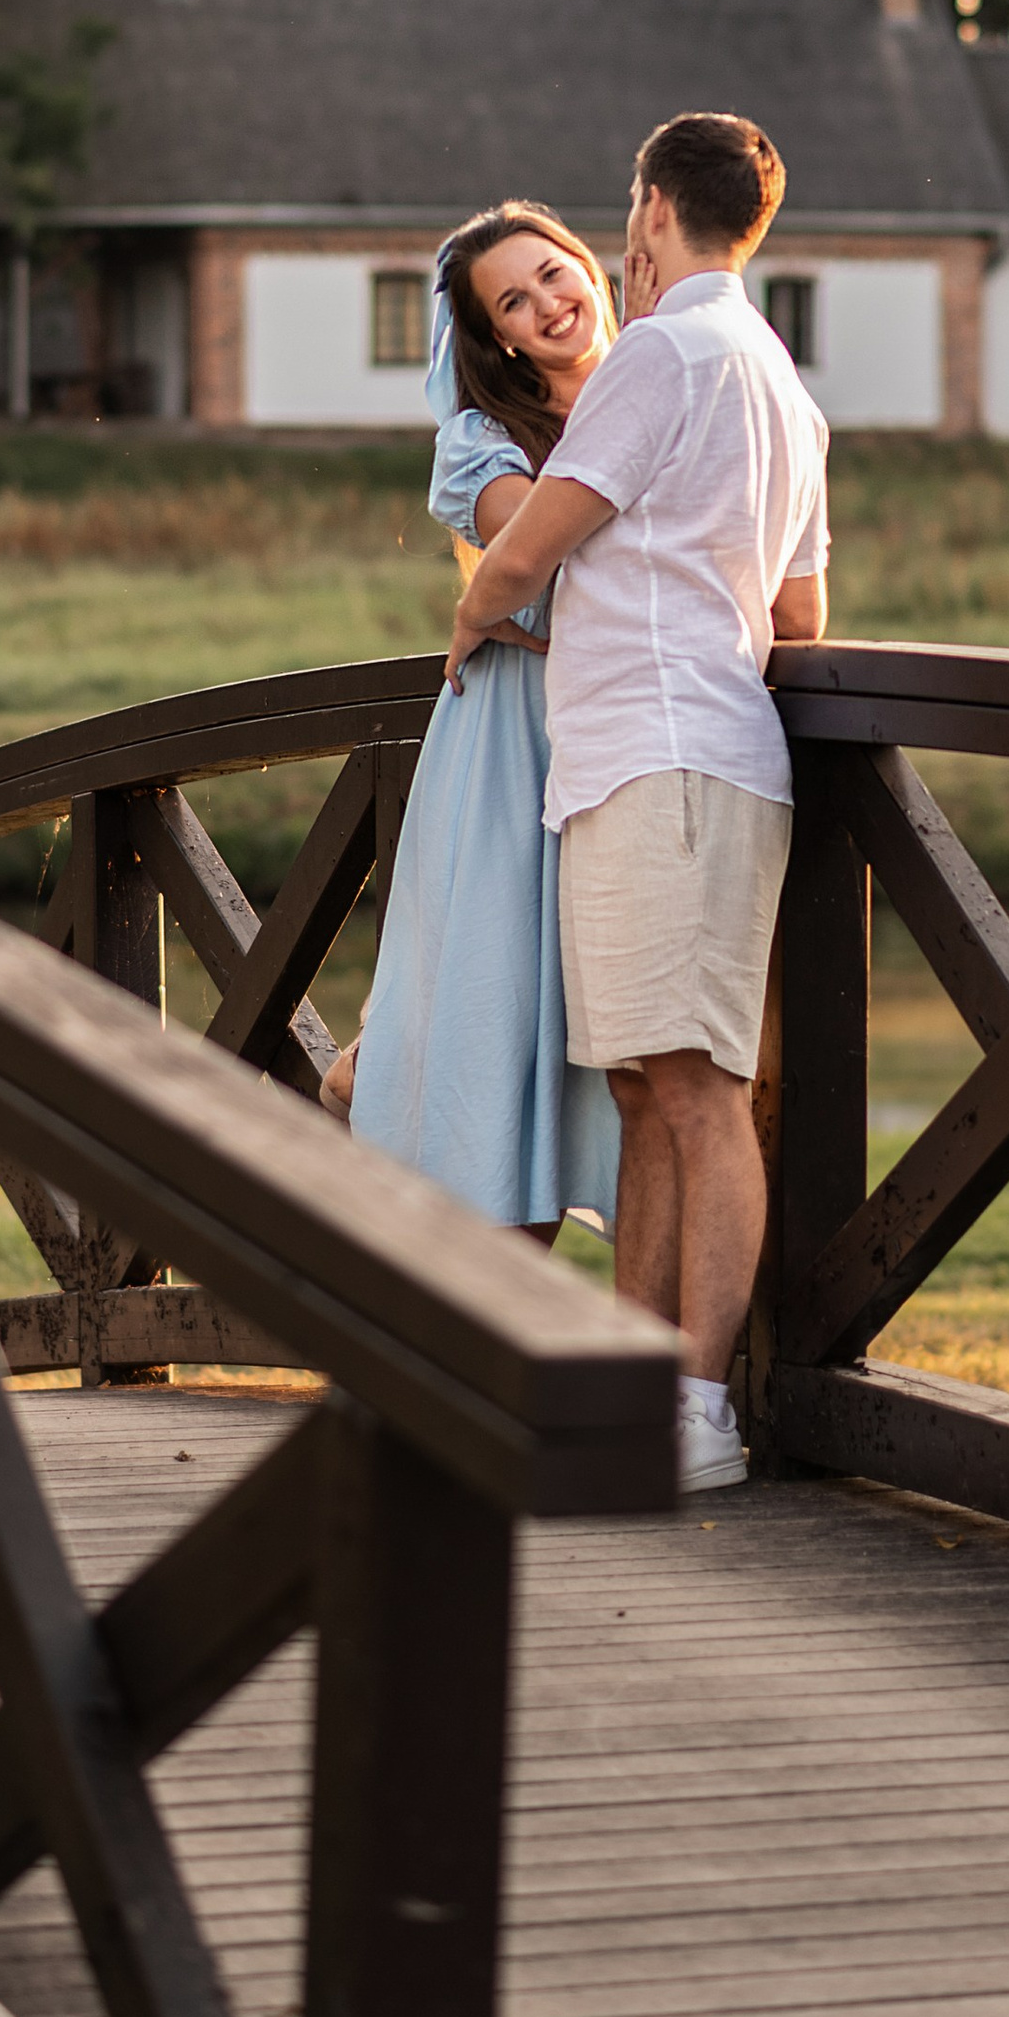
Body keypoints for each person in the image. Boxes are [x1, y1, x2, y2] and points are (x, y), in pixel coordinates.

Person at [447, 111, 830, 1495]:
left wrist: (471, 619)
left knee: (697, 1091)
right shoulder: (783, 383)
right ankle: (637, 1386)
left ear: (654, 208)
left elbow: (533, 546)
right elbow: (801, 609)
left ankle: (700, 1409)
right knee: (649, 1086)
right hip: (670, 753)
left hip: (666, 755)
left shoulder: (661, 351)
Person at [336, 203, 622, 1240]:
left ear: (587, 265)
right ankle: (485, 1339)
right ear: (495, 334)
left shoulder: (656, 384)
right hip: (515, 742)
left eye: (554, 273)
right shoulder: (480, 441)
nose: (549, 302)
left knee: (604, 1025)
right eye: (515, 299)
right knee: (500, 1006)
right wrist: (488, 600)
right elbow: (555, 561)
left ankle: (366, 1077)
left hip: (625, 732)